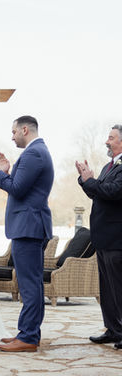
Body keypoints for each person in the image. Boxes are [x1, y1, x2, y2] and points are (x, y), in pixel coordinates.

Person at [0, 115, 53, 353]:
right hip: (30, 226)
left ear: (25, 130)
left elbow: (17, 189)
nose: (12, 137)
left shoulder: (34, 154)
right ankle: (29, 333)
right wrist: (7, 172)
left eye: (14, 132)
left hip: (29, 227)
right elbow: (21, 186)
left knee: (29, 285)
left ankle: (29, 337)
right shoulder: (37, 152)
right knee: (32, 283)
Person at [76, 124, 122, 350]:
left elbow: (113, 192)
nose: (106, 141)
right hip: (103, 238)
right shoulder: (108, 166)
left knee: (119, 288)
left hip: (117, 238)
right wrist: (85, 179)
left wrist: (91, 182)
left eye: (111, 138)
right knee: (107, 289)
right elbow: (97, 193)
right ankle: (113, 330)